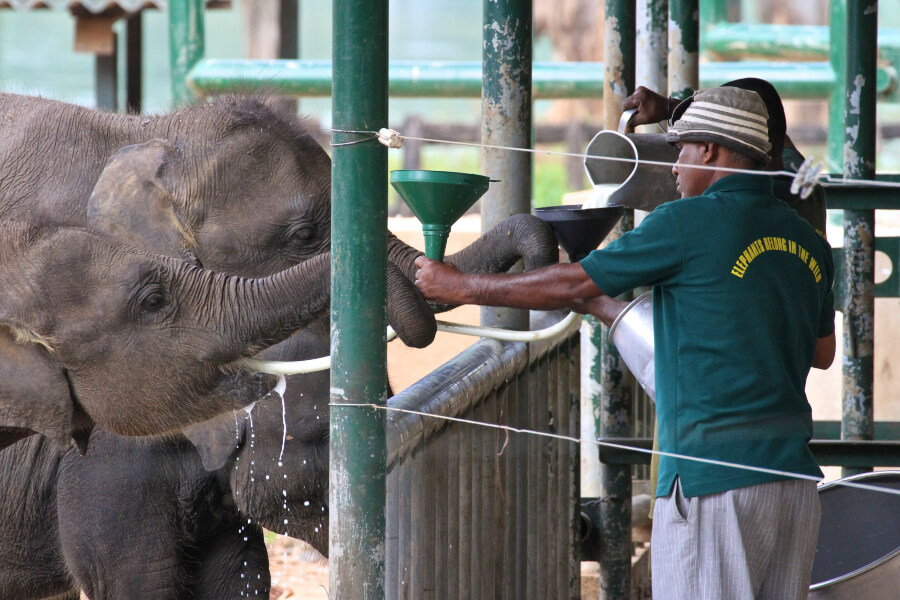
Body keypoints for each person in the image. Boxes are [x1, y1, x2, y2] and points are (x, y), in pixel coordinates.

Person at [415, 87, 836, 600]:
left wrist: (458, 286)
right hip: (791, 486)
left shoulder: (687, 222)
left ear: (710, 151)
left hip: (711, 482)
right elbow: (821, 353)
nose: (675, 166)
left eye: (681, 149)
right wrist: (601, 305)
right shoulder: (807, 240)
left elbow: (571, 283)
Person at [624, 78, 828, 236]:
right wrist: (675, 108)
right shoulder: (803, 185)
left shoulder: (723, 212)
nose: (676, 166)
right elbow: (777, 133)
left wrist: (679, 112)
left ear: (710, 149)